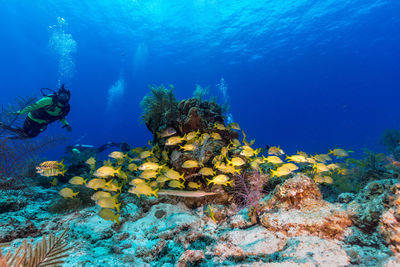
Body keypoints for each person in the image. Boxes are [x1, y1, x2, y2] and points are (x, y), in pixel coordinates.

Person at [0, 84, 72, 139]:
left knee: (30, 136)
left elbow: (61, 116)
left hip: (42, 123)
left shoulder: (65, 108)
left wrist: (66, 124)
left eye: (66, 96)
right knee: (24, 132)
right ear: (58, 95)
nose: (64, 98)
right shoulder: (49, 100)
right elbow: (34, 106)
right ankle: (3, 126)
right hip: (32, 118)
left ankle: (7, 138)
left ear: (68, 98)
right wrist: (20, 112)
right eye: (62, 95)